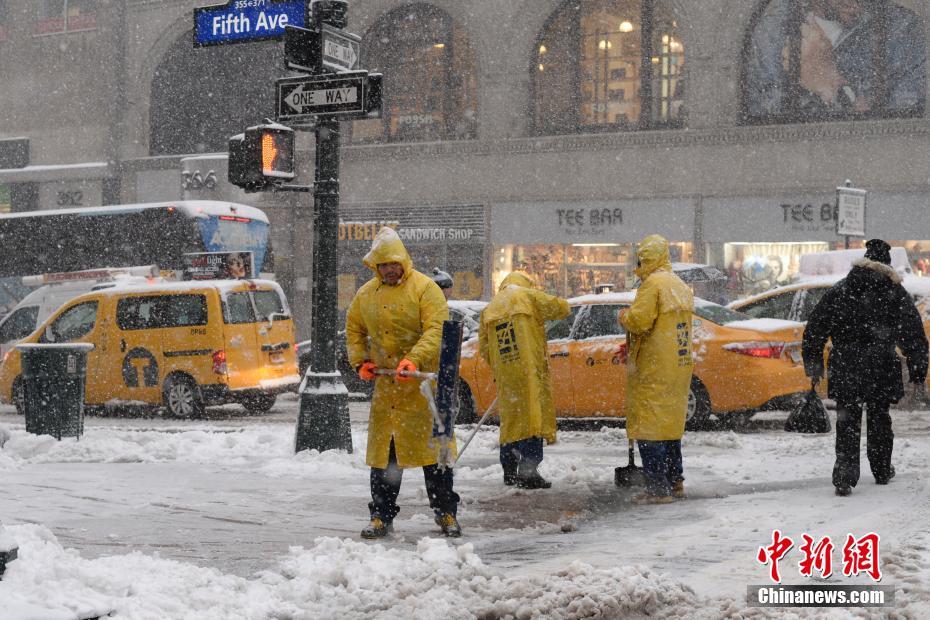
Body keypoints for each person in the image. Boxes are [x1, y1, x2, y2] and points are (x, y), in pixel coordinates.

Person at [345, 228, 461, 538]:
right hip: (388, 393)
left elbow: (436, 329)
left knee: (435, 457)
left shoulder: (425, 289)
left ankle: (446, 513)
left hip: (423, 391)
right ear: (375, 267)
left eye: (393, 263)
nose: (389, 269)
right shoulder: (365, 295)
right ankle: (381, 515)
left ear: (403, 261)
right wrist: (360, 362)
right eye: (382, 265)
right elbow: (354, 330)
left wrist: (415, 359)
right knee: (386, 459)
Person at [802, 239, 928, 497]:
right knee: (879, 417)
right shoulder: (895, 293)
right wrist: (918, 368)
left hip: (846, 364)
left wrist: (814, 364)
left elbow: (815, 328)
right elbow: (913, 333)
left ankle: (844, 474)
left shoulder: (841, 290)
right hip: (881, 364)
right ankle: (881, 469)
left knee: (847, 420)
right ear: (887, 265)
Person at [746, 0, 925, 119]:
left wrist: (832, 85)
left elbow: (902, 138)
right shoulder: (772, 31)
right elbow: (764, 138)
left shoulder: (903, 29)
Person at [619, 235, 694, 505]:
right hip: (678, 366)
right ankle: (675, 481)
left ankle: (657, 488)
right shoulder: (679, 285)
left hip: (654, 367)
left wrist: (624, 317)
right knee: (670, 427)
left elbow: (639, 321)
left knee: (649, 427)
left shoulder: (653, 284)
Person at [479, 271, 570, 489]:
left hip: (507, 376)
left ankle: (509, 471)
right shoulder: (526, 296)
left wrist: (504, 367)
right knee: (532, 420)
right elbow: (563, 308)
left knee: (511, 422)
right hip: (529, 372)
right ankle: (529, 472)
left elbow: (485, 348)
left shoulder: (489, 309)